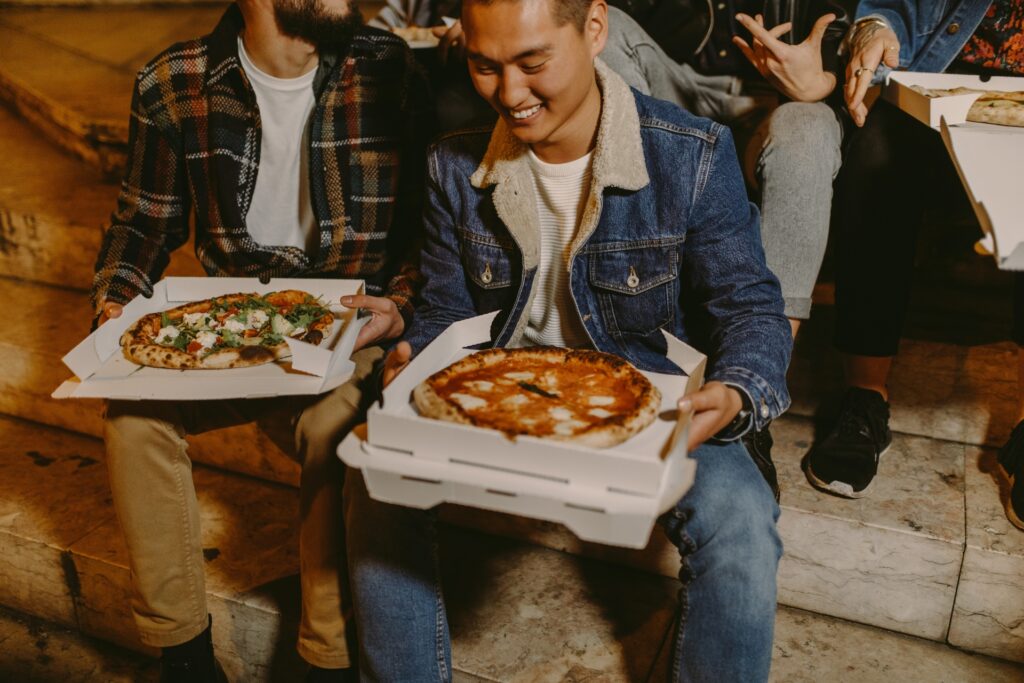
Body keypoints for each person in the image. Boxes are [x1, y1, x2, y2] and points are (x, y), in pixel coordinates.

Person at [345, 0, 791, 680]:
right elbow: (444, 308)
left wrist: (736, 390)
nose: (510, 94)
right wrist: (415, 356)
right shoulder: (449, 165)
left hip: (648, 398)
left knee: (739, 515)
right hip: (495, 399)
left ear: (593, 29)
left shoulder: (692, 154)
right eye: (483, 67)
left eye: (532, 64)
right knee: (371, 475)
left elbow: (750, 306)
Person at [90, 0, 432, 679]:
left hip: (351, 320)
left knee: (339, 419)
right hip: (233, 325)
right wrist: (114, 301)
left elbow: (427, 228)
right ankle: (183, 652)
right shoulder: (172, 84)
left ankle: (325, 658)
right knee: (132, 415)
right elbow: (141, 229)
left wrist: (400, 304)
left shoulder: (389, 72)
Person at [806, 0, 1024, 516]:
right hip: (935, 79)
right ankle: (865, 396)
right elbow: (895, 7)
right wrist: (876, 28)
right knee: (878, 156)